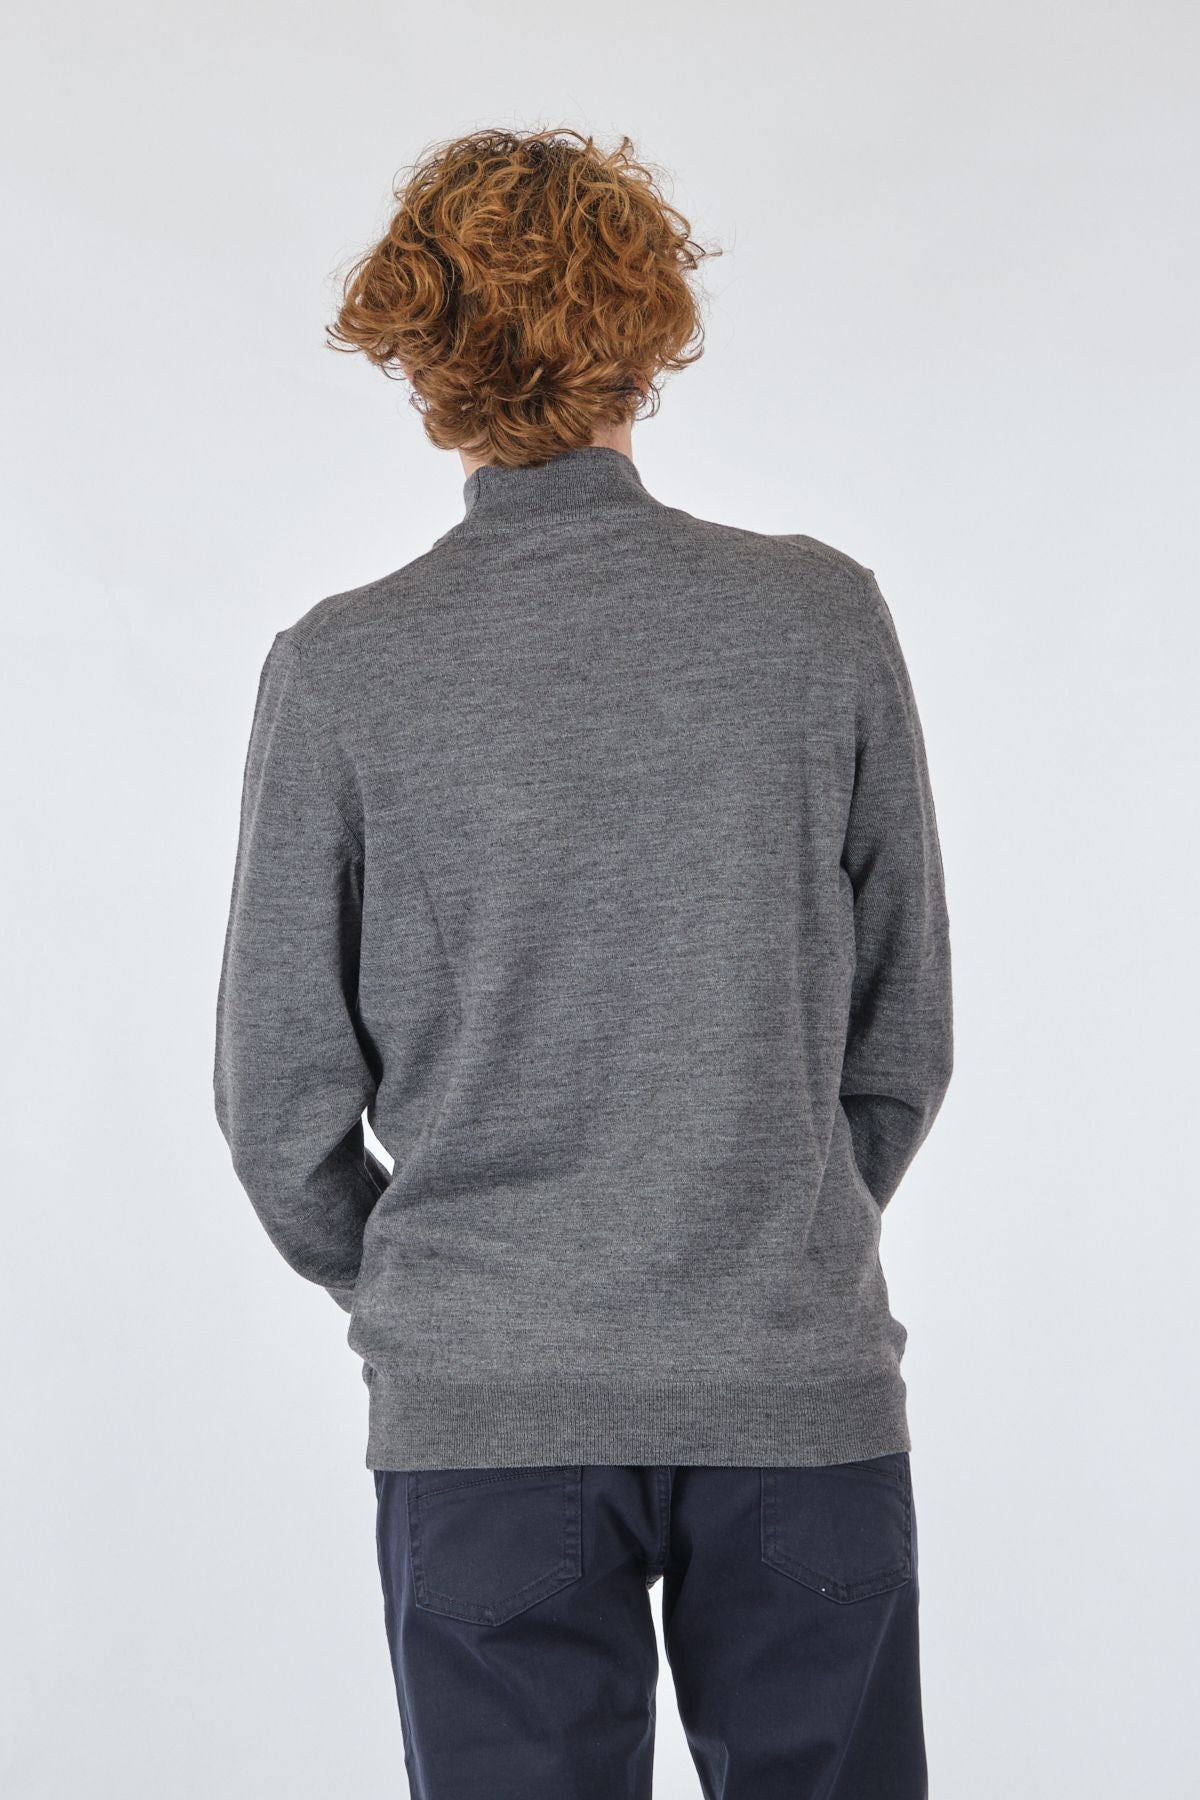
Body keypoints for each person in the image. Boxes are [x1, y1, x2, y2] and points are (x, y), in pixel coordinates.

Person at [213, 125, 954, 1799]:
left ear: (423, 361)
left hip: (486, 1414)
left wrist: (443, 1297)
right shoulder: (816, 619)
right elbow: (904, 1034)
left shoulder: (345, 667)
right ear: (648, 334)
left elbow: (277, 1106)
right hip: (792, 1389)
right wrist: (770, 1231)